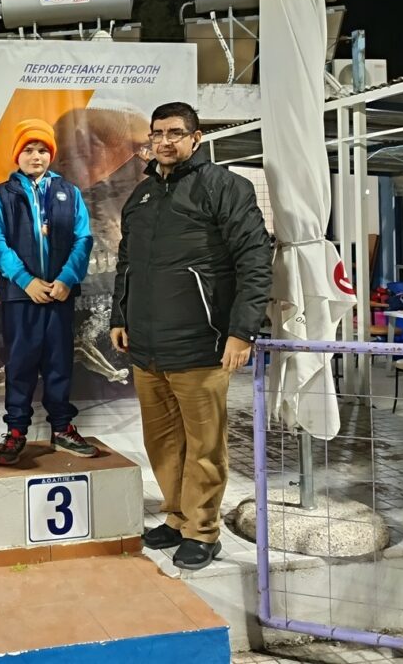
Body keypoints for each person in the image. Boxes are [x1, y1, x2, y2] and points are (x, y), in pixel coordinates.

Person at [110, 102, 271, 571]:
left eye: (175, 133)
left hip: (202, 344)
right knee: (163, 443)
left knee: (204, 447)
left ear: (196, 138)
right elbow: (127, 262)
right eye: (157, 133)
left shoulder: (225, 187)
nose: (164, 141)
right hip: (146, 347)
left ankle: (202, 531)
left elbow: (255, 260)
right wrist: (121, 315)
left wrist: (242, 331)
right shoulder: (141, 196)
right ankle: (177, 517)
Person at [0, 119, 95, 465]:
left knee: (60, 362)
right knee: (20, 364)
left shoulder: (69, 193)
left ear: (51, 154)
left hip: (60, 294)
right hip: (21, 296)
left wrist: (66, 279)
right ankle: (16, 430)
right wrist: (25, 280)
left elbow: (83, 239)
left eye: (43, 150)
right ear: (17, 155)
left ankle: (62, 428)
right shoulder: (3, 194)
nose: (36, 156)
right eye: (29, 150)